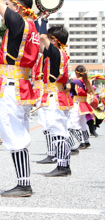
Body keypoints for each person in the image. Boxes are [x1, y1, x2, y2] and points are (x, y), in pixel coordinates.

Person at [0, 0, 40, 198]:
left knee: (13, 133)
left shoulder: (18, 22)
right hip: (20, 85)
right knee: (18, 131)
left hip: (11, 84)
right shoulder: (33, 27)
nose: (6, 9)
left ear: (18, 7)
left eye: (10, 5)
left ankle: (24, 184)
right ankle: (23, 182)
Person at [34, 24, 73, 176]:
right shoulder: (58, 53)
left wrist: (41, 19)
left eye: (50, 39)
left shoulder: (57, 52)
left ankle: (63, 166)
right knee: (58, 130)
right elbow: (40, 44)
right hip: (55, 95)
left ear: (54, 40)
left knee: (58, 130)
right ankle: (63, 164)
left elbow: (41, 37)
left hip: (55, 96)